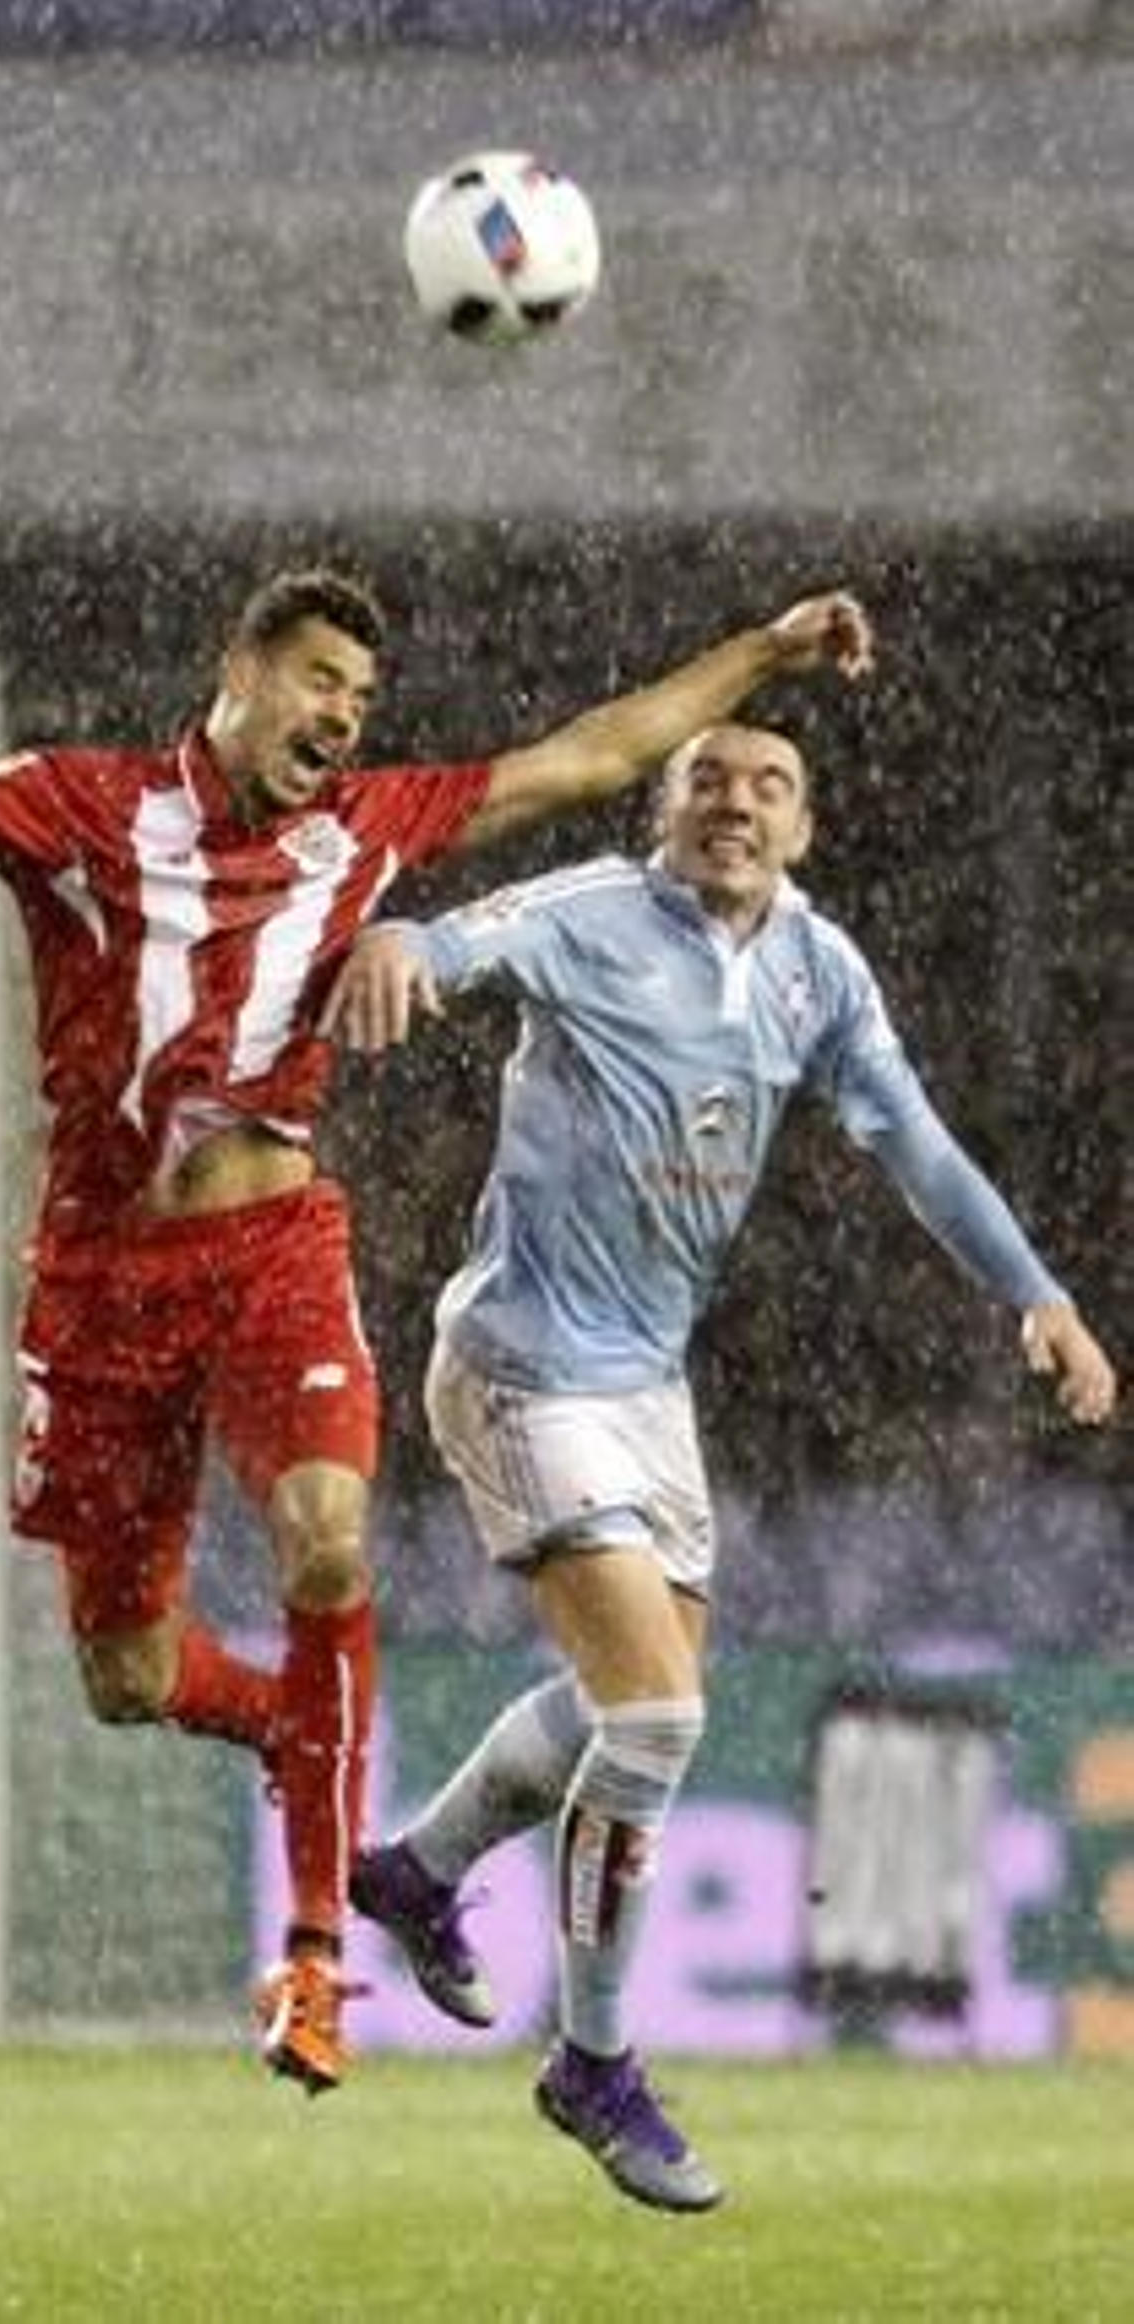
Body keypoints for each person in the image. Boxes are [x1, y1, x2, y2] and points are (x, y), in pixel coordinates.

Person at [0, 572, 876, 2095]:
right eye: (318, 679)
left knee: (328, 1536)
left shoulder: (365, 830)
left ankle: (317, 1957)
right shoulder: (85, 809)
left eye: (360, 700)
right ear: (238, 671)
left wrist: (765, 651)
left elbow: (592, 755)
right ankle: (291, 1730)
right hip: (102, 1284)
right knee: (126, 1677)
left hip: (273, 1250)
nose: (340, 715)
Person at [324, 720, 1117, 2201]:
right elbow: (454, 938)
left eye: (769, 787)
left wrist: (1037, 1296)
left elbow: (917, 1146)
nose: (736, 804)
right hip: (520, 1365)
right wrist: (396, 946)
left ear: (804, 828)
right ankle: (595, 2063)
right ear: (663, 812)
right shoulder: (594, 916)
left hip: (647, 1386)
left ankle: (416, 1873)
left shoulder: (820, 971)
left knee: (622, 1711)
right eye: (707, 782)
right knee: (658, 1726)